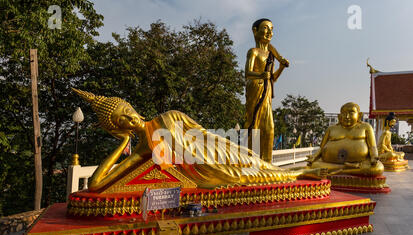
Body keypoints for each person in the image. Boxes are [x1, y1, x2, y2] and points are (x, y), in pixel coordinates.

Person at [72, 89, 327, 192]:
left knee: (258, 165)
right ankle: (301, 174)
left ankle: (301, 173)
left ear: (132, 108)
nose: (130, 120)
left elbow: (204, 133)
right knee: (249, 178)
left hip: (216, 151)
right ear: (119, 129)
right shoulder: (142, 148)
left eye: (128, 113)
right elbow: (95, 186)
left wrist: (232, 146)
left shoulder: (170, 116)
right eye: (122, 122)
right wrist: (120, 143)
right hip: (205, 173)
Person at [244, 18, 289, 163]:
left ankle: (267, 163)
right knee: (253, 124)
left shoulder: (271, 55)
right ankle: (251, 161)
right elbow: (247, 73)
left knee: (269, 128)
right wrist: (261, 75)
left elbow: (272, 78)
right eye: (265, 28)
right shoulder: (253, 52)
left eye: (271, 29)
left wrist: (281, 66)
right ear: (255, 31)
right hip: (255, 89)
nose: (269, 32)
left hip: (267, 92)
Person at [307, 102, 384, 176]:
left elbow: (372, 147)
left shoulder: (366, 127)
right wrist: (314, 156)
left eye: (351, 113)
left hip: (360, 162)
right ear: (340, 116)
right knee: (314, 165)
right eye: (344, 113)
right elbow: (321, 147)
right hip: (331, 162)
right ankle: (347, 168)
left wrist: (374, 156)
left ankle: (340, 170)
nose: (347, 117)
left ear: (359, 115)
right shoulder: (331, 129)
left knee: (377, 168)